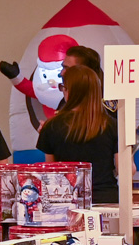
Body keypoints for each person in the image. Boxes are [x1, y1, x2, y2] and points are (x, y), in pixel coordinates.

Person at [34, 63, 118, 202]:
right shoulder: (111, 124)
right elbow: (126, 170)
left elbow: (50, 173)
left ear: (70, 91)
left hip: (66, 202)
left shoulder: (52, 126)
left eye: (63, 88)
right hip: (106, 199)